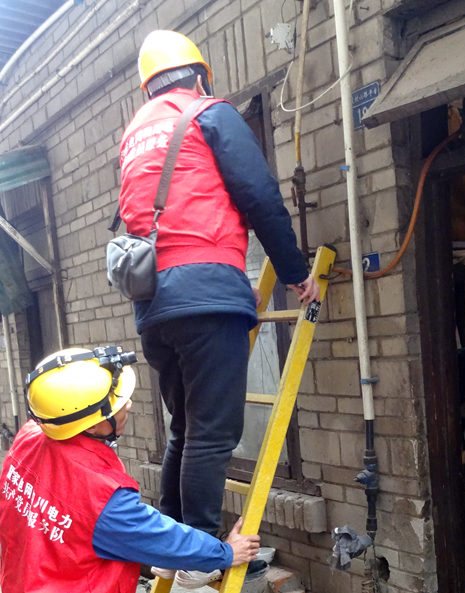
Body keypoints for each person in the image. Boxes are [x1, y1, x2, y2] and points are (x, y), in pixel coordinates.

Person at [117, 30, 319, 587]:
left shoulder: (137, 134)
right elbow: (259, 195)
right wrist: (299, 275)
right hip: (206, 296)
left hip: (154, 307)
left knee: (184, 429)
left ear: (150, 87)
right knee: (212, 434)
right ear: (200, 76)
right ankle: (200, 554)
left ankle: (170, 547)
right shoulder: (209, 112)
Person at [0, 346, 260, 593]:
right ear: (91, 426)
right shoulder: (101, 497)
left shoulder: (30, 437)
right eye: (117, 403)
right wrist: (224, 553)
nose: (128, 405)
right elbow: (159, 537)